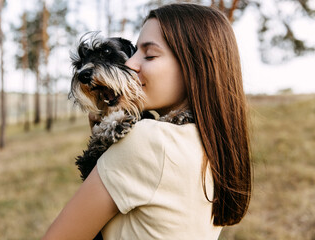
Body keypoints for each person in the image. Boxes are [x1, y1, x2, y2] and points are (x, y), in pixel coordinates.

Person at [42, 3, 252, 240]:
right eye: (134, 54)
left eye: (149, 55)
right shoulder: (214, 144)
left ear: (193, 66)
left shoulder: (147, 140)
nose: (130, 64)